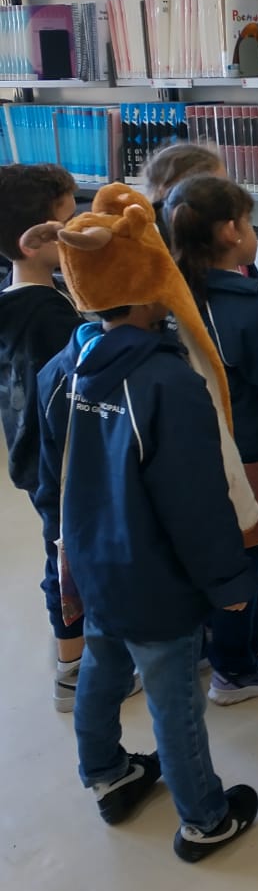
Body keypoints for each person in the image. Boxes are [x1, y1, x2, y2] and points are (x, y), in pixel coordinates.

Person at [33, 184, 258, 859]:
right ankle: (204, 817)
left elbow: (52, 478)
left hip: (92, 563)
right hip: (156, 580)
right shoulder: (168, 386)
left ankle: (105, 772)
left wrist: (62, 544)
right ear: (146, 285)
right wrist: (228, 581)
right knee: (173, 700)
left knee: (103, 669)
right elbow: (194, 503)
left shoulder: (60, 370)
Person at [164, 173, 258, 704]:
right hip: (253, 455)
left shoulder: (165, 298)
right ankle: (236, 666)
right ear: (229, 232)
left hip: (190, 453)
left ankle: (212, 640)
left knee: (214, 555)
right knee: (255, 560)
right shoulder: (254, 307)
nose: (252, 230)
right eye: (247, 221)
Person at [0, 165, 86, 709]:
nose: (77, 230)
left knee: (59, 552)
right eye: (68, 221)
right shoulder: (51, 317)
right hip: (63, 462)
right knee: (66, 559)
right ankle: (73, 666)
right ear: (35, 242)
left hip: (32, 457)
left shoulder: (15, 300)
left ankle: (74, 650)